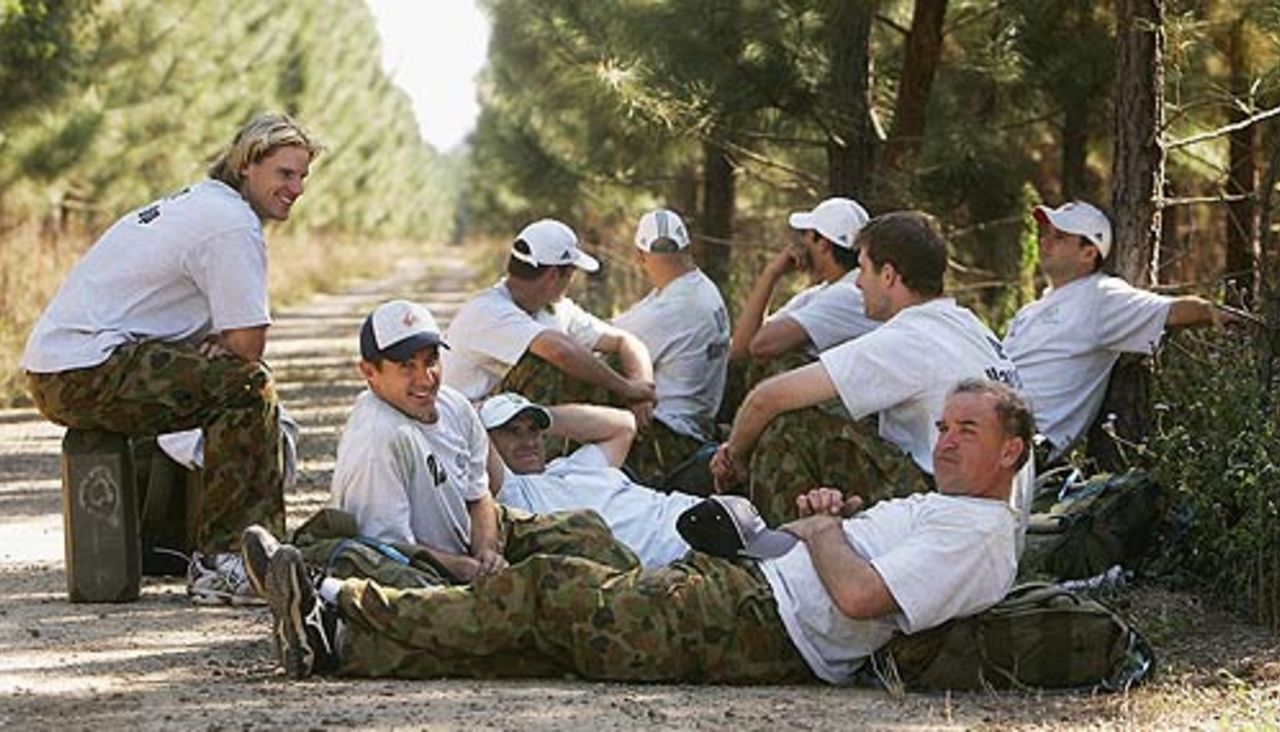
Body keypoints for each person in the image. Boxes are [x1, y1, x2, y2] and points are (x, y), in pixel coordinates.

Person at [247, 379, 1029, 684]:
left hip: (762, 626)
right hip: (751, 581)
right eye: (944, 426)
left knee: (549, 592)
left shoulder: (980, 536)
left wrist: (827, 531)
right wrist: (827, 521)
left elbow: (858, 597)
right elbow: (846, 561)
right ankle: (336, 637)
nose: (946, 440)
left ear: (1011, 452)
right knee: (560, 576)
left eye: (967, 430)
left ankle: (341, 599)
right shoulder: (946, 508)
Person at [22, 113, 322, 604]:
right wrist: (220, 348)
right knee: (247, 386)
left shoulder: (205, 202)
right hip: (82, 369)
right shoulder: (230, 224)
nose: (296, 188)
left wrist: (207, 347)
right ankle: (226, 561)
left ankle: (235, 553)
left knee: (231, 381)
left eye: (303, 176)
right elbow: (248, 346)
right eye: (285, 174)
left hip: (67, 365)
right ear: (247, 165)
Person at [711, 211, 1028, 527]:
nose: (859, 283)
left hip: (951, 508)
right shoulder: (969, 325)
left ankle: (780, 556)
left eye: (863, 269)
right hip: (1000, 509)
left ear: (888, 275)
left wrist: (734, 457)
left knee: (792, 422)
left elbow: (767, 398)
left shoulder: (910, 336)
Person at [328, 300, 636, 584]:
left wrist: (487, 550)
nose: (425, 379)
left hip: (468, 549)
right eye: (406, 366)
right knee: (550, 593)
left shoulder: (455, 406)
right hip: (413, 579)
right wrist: (464, 569)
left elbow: (479, 495)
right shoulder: (377, 440)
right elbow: (388, 553)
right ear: (369, 372)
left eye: (431, 360)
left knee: (586, 530)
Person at [1003, 200, 1230, 465]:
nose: (1045, 242)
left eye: (1060, 237)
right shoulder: (1030, 311)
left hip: (1023, 441)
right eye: (1045, 234)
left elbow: (1172, 311)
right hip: (984, 422)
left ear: (1088, 253)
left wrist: (1222, 314)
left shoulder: (1101, 296)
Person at [441, 219, 655, 414]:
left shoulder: (555, 308)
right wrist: (625, 388)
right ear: (554, 275)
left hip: (507, 417)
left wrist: (641, 391)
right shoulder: (487, 310)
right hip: (467, 421)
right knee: (547, 361)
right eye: (570, 274)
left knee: (606, 361)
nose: (570, 282)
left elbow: (624, 341)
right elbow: (559, 351)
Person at [481, 392, 702, 568]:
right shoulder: (513, 493)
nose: (528, 441)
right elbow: (470, 434)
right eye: (513, 431)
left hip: (698, 509)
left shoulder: (572, 466)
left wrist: (544, 416)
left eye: (534, 430)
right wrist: (477, 418)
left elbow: (624, 425)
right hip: (680, 552)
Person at [611, 208, 730, 484]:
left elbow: (602, 340)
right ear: (688, 248)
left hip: (669, 439)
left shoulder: (675, 306)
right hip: (692, 426)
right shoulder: (699, 288)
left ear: (639, 256)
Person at [729, 197, 878, 366]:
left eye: (805, 234)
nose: (800, 243)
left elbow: (759, 346)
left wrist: (772, 274)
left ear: (823, 243)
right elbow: (740, 348)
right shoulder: (822, 292)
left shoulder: (848, 294)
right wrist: (771, 274)